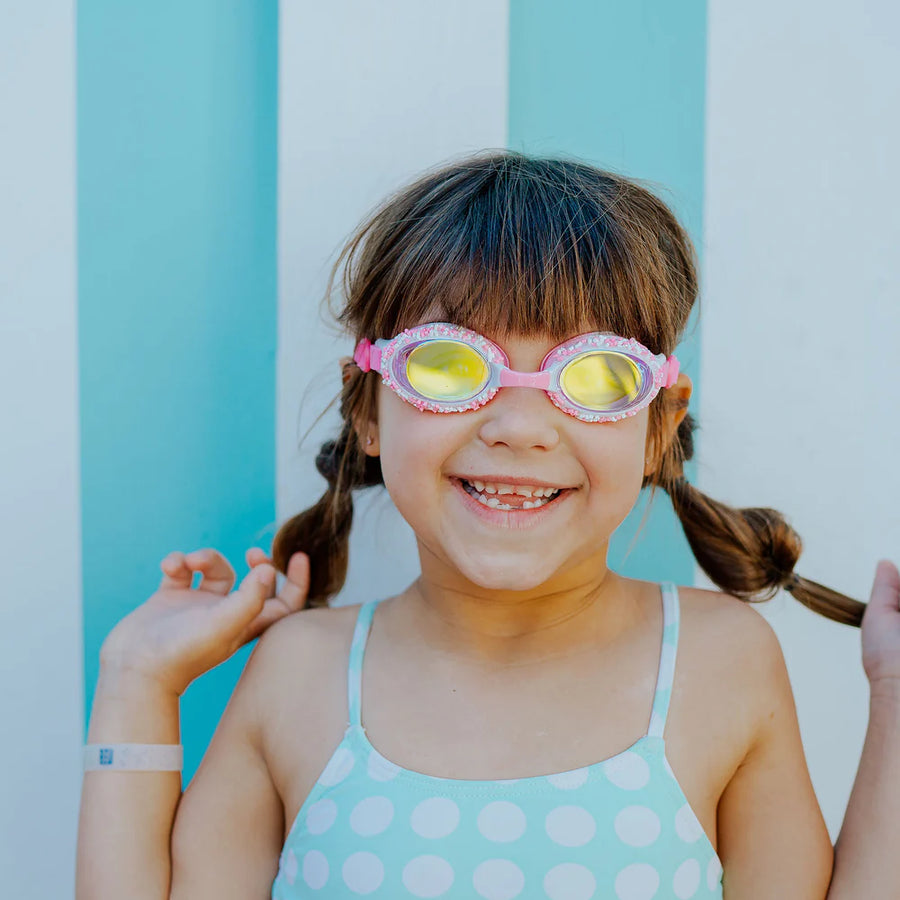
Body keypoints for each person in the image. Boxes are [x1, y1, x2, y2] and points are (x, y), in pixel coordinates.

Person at [76, 152, 900, 899]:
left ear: (657, 427)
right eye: (451, 367)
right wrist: (136, 685)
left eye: (594, 376)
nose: (519, 426)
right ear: (368, 408)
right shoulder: (300, 673)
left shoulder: (723, 662)